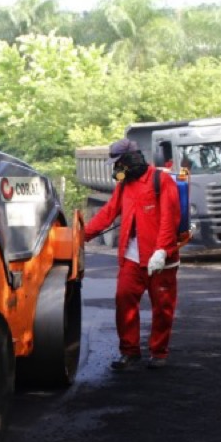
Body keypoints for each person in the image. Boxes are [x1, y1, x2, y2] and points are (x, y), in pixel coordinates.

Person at [84, 139, 181, 370]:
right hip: (131, 256)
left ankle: (158, 352)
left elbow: (170, 218)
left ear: (131, 159)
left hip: (160, 258)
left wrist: (162, 250)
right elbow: (108, 213)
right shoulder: (124, 185)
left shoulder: (161, 180)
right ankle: (130, 351)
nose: (116, 169)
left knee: (162, 307)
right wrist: (81, 236)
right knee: (124, 299)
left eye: (118, 163)